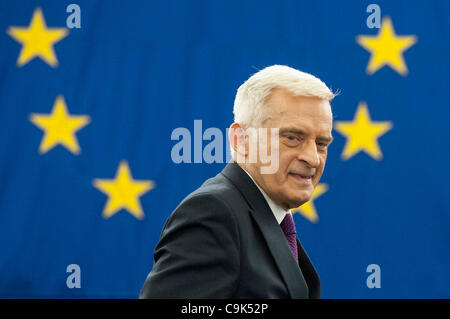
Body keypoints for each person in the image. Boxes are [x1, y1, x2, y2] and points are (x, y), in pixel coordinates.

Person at [139, 65, 335, 298]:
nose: (313, 158)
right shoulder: (213, 214)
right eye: (292, 138)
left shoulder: (268, 215)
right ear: (241, 141)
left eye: (321, 144)